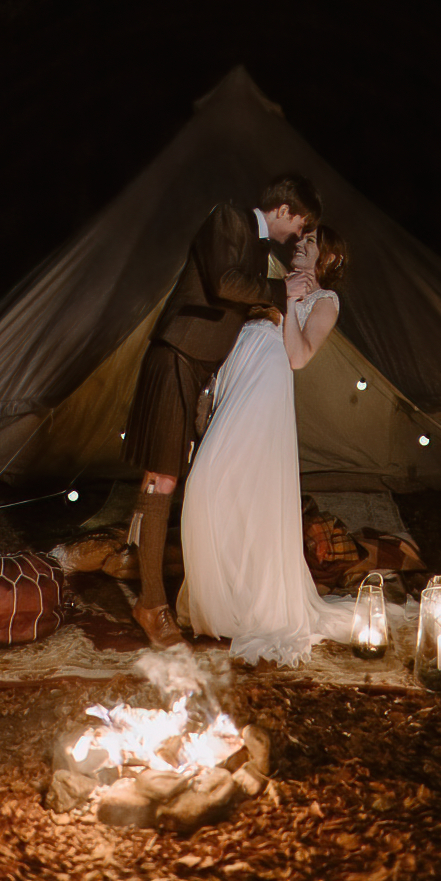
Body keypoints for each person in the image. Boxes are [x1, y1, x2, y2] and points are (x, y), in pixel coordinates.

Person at [123, 174, 322, 648]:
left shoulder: (256, 246)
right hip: (178, 354)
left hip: (197, 367)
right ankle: (151, 603)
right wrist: (282, 290)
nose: (297, 235)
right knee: (162, 478)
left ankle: (151, 583)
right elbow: (225, 282)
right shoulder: (230, 217)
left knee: (169, 477)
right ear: (285, 211)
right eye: (300, 224)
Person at [179, 225, 354, 667]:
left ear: (328, 258)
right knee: (227, 491)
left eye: (310, 242)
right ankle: (225, 602)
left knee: (209, 481)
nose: (299, 244)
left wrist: (293, 300)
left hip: (266, 389)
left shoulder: (325, 301)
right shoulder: (273, 280)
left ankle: (256, 604)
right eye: (301, 238)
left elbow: (298, 356)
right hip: (237, 380)